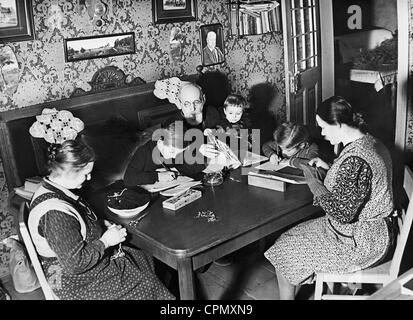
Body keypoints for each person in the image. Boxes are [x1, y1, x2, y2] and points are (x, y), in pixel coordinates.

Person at [264, 96, 394, 300]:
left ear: (339, 124)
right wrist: (328, 167)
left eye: (324, 127)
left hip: (360, 242)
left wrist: (314, 183)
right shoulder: (369, 141)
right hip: (369, 230)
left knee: (283, 250)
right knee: (287, 239)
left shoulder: (356, 160)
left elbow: (342, 213)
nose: (322, 134)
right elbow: (354, 183)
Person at [28, 139, 174, 300]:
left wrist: (98, 225)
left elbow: (74, 227)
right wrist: (105, 242)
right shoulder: (55, 214)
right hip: (74, 281)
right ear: (69, 171)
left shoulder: (51, 187)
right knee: (146, 282)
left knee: (142, 258)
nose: (89, 178)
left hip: (78, 267)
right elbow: (75, 264)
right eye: (85, 173)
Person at [123, 120, 206, 186]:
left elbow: (191, 168)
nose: (174, 156)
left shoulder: (176, 150)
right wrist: (158, 176)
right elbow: (128, 178)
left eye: (178, 153)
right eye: (172, 151)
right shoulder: (144, 151)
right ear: (160, 142)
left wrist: (202, 155)